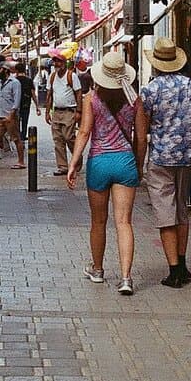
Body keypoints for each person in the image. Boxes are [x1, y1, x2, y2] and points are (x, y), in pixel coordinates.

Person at [138, 39, 191, 288]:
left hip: (161, 159)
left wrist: (140, 159)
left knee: (165, 214)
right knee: (182, 210)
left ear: (157, 63)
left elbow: (142, 130)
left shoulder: (150, 90)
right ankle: (183, 264)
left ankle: (174, 272)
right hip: (187, 157)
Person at [67, 50, 145, 296]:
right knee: (124, 222)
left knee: (98, 221)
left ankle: (98, 270)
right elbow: (141, 138)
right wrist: (139, 165)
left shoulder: (91, 98)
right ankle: (125, 278)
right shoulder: (135, 100)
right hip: (125, 162)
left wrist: (74, 162)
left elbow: (84, 133)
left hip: (99, 163)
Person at [45, 51, 82, 176]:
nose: (56, 64)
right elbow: (49, 95)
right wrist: (47, 111)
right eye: (55, 61)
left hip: (69, 111)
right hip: (57, 111)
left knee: (69, 137)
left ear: (64, 63)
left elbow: (78, 93)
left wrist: (79, 111)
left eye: (59, 61)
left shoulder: (71, 76)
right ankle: (62, 166)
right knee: (58, 140)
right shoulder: (52, 76)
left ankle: (77, 158)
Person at [15, 60, 41, 138]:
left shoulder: (14, 80)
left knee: (16, 121)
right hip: (26, 103)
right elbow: (33, 94)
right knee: (25, 120)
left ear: (16, 70)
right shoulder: (29, 80)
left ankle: (17, 135)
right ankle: (23, 135)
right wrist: (37, 106)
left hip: (16, 105)